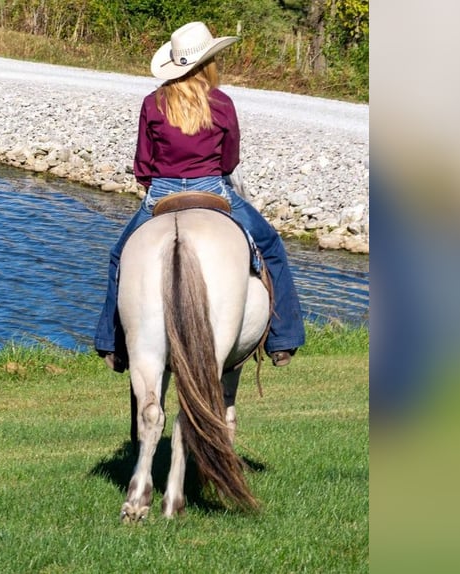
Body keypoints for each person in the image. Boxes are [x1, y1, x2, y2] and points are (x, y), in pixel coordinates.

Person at [94, 21, 305, 371]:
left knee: (120, 256)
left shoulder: (153, 102)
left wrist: (156, 184)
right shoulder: (221, 103)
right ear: (208, 61)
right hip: (211, 187)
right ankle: (283, 338)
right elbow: (230, 160)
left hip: (161, 191)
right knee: (271, 246)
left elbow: (143, 163)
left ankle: (113, 343)